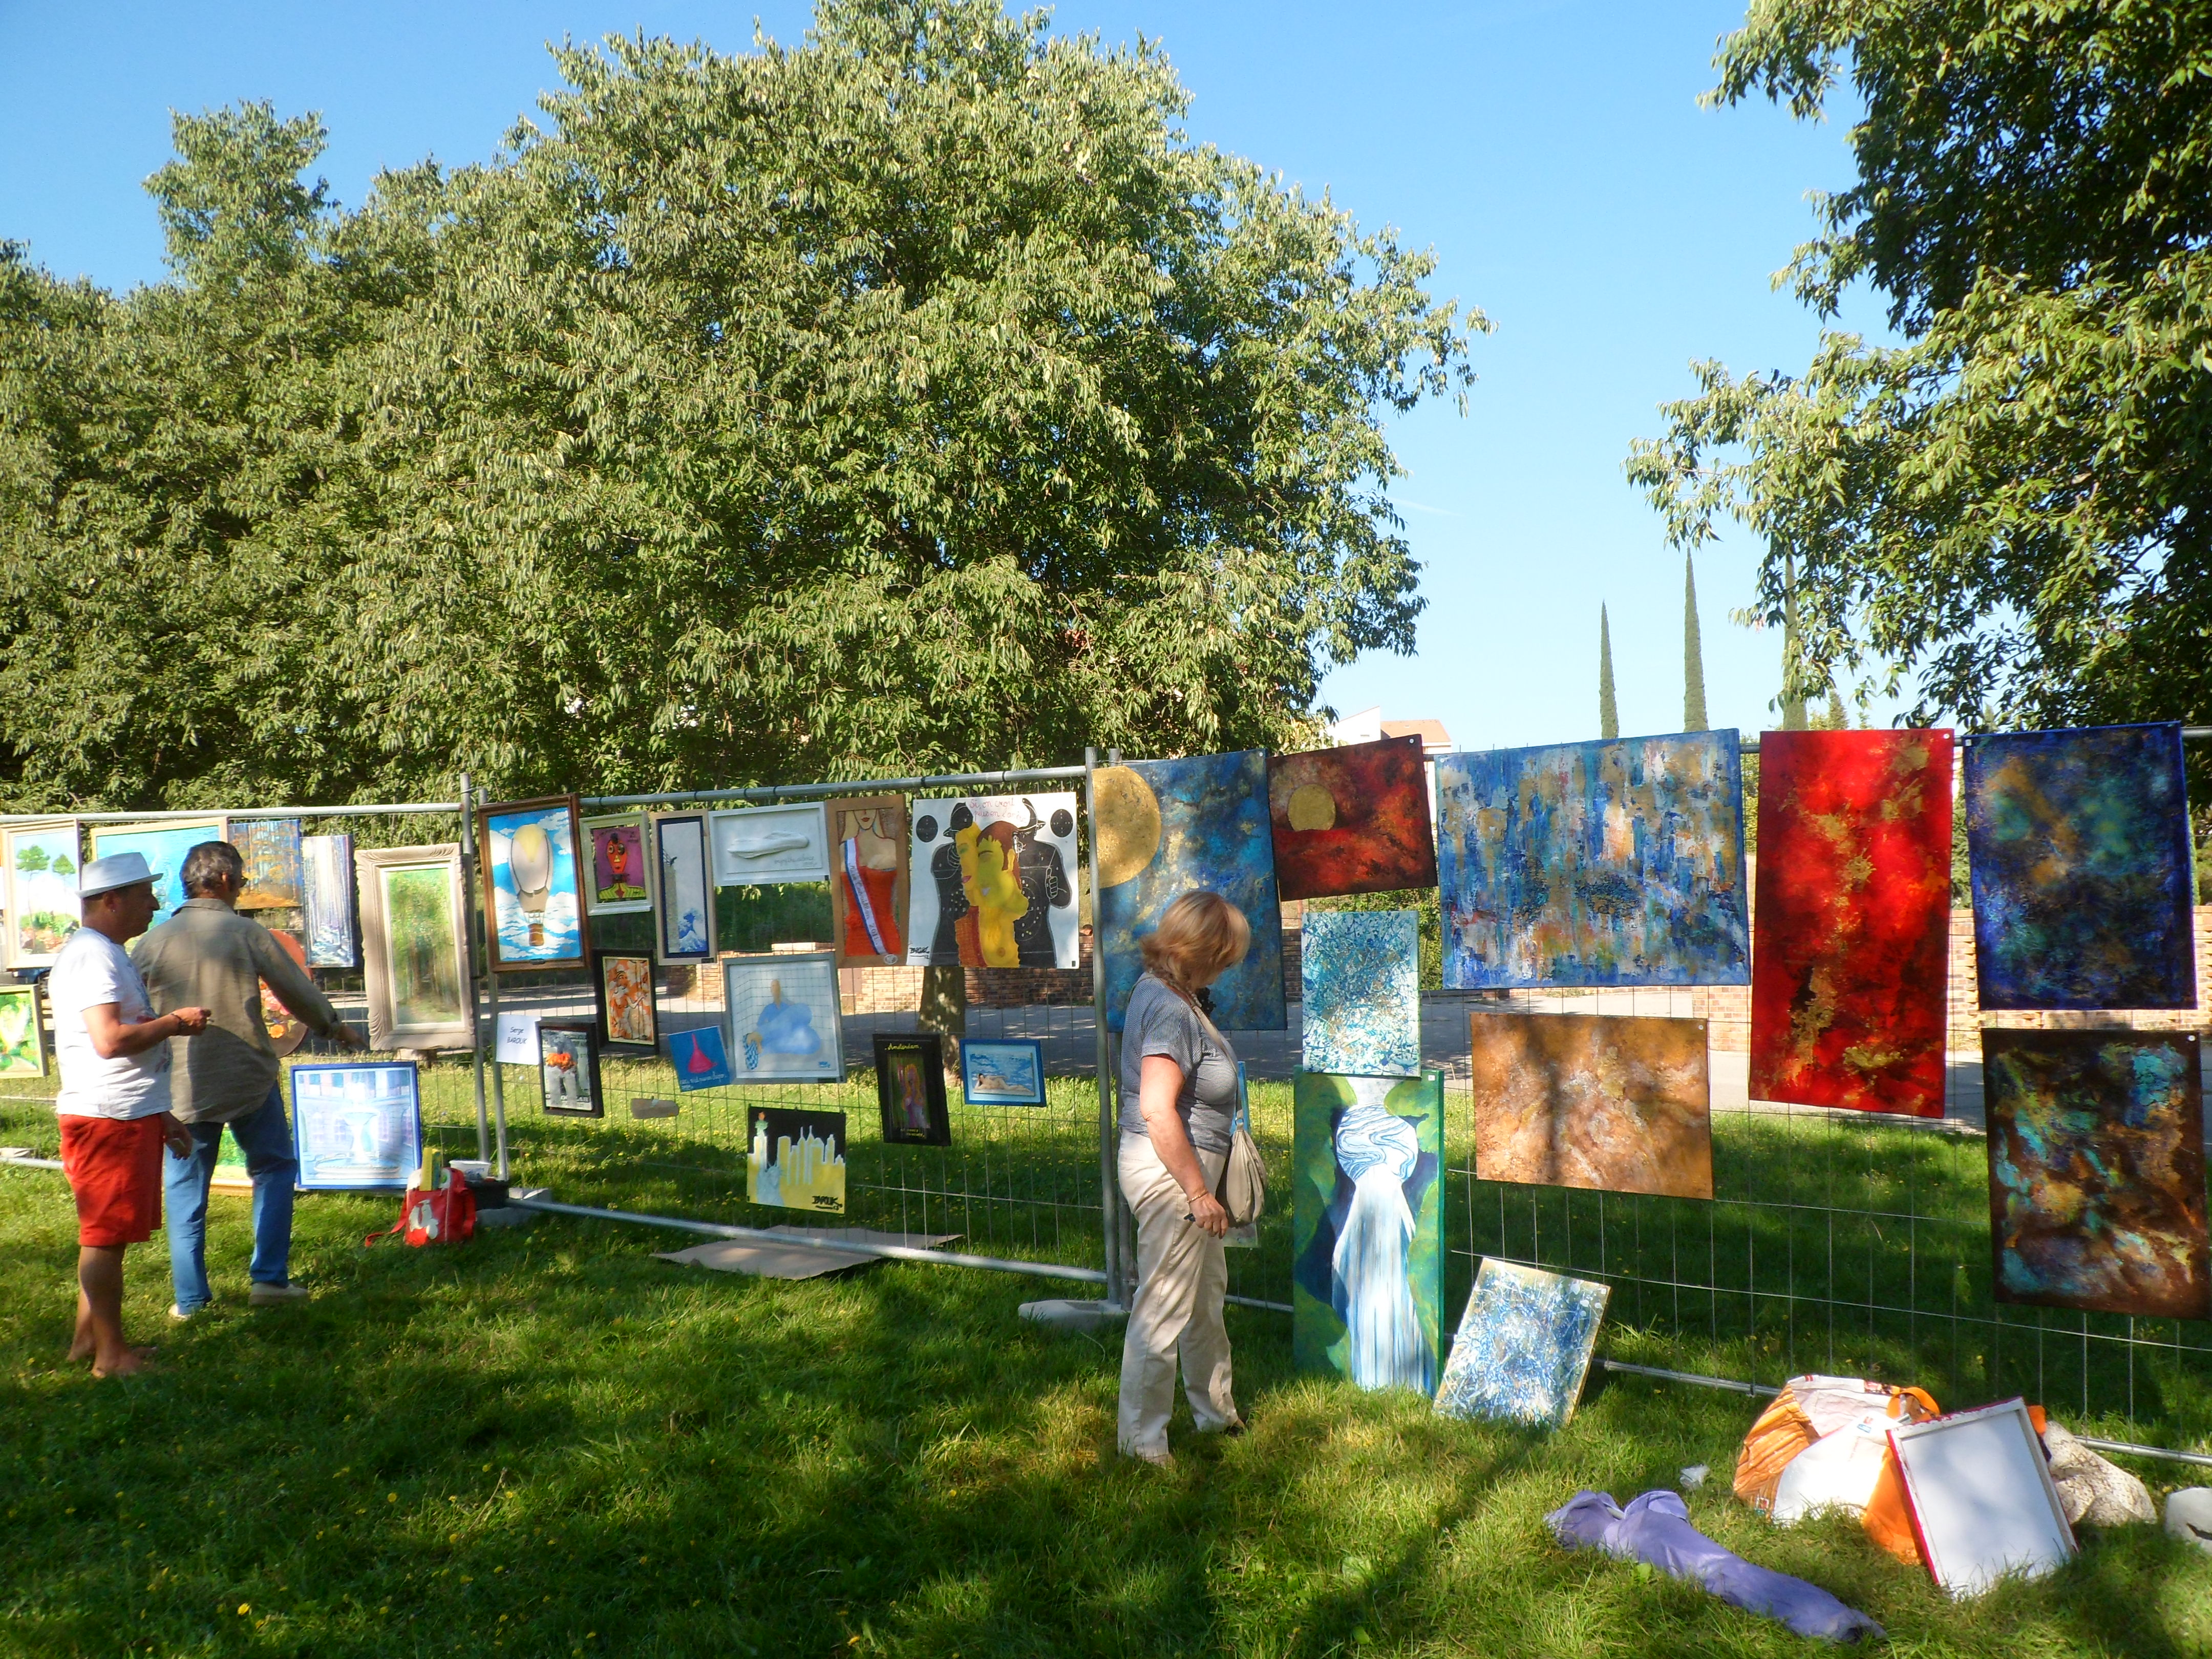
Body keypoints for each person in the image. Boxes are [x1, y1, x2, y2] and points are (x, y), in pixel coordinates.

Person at [134, 840, 363, 1318]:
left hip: (180, 1087)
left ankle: (191, 1300)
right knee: (274, 1168)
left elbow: (135, 1012)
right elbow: (294, 989)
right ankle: (269, 1279)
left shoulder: (152, 943)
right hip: (248, 1078)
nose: (242, 888)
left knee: (185, 1187)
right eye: (241, 880)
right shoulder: (245, 932)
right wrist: (333, 1026)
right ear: (223, 881)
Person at [48, 852, 210, 1376]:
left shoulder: (104, 952)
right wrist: (175, 1023)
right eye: (145, 896)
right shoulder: (93, 956)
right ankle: (112, 1357)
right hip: (107, 1118)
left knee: (108, 1235)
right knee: (105, 1237)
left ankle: (88, 1341)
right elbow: (110, 1041)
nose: (155, 905)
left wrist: (160, 1113)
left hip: (123, 1113)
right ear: (112, 901)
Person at [1116, 890, 1251, 1465]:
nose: (1228, 967)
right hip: (1174, 1175)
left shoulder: (1171, 995)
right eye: (1226, 956)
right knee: (1165, 1304)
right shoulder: (1171, 1010)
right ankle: (1142, 1443)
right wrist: (1198, 1192)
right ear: (1205, 951)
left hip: (1185, 1170)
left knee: (1202, 1297)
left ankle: (1216, 1413)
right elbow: (1156, 1107)